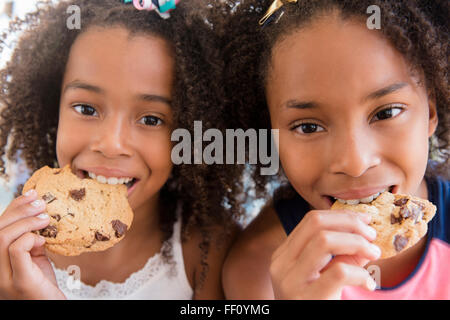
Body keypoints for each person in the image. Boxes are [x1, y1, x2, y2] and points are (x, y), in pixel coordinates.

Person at [0, 0, 243, 299]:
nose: (112, 144)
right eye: (86, 108)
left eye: (151, 119)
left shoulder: (209, 253)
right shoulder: (10, 250)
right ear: (53, 108)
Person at [220, 0, 449, 299]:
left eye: (386, 112)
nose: (354, 162)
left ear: (430, 112)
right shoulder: (256, 268)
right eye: (309, 127)